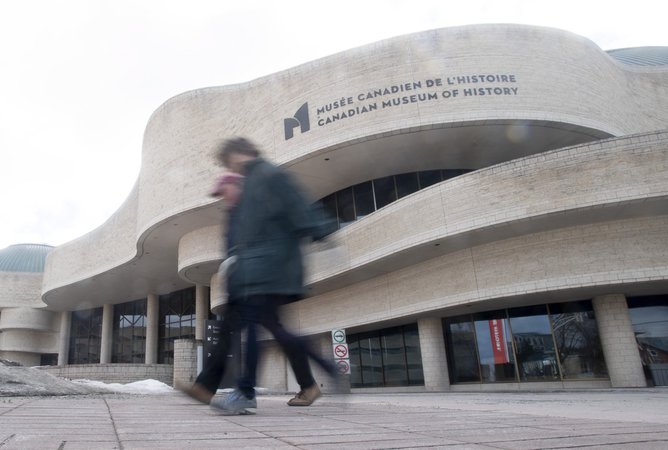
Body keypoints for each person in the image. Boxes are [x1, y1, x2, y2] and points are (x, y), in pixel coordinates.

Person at [210, 137, 338, 414]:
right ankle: (325, 368)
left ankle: (246, 392)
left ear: (239, 154)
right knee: (272, 329)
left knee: (254, 327)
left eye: (229, 161)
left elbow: (298, 205)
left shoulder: (268, 174)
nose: (230, 168)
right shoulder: (253, 181)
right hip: (260, 268)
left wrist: (322, 231)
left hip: (270, 267)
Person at [177, 172, 257, 406]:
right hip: (239, 281)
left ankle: (246, 393)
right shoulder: (234, 213)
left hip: (253, 280)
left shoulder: (250, 209)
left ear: (236, 186)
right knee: (226, 334)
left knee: (259, 335)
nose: (224, 196)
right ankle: (207, 387)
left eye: (225, 190)